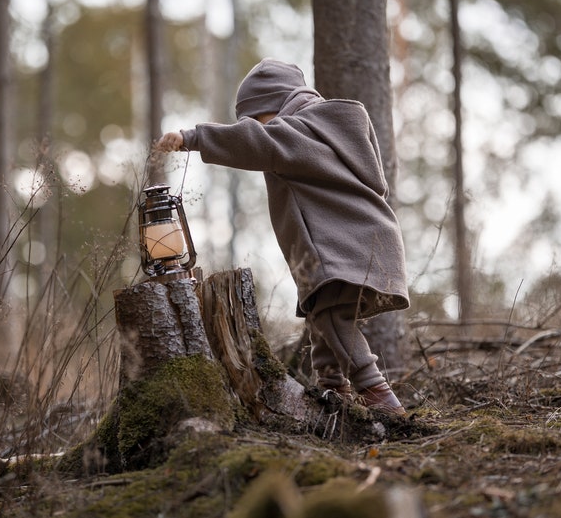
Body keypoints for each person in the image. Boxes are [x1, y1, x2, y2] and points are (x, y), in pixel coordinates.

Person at [156, 58, 410, 415]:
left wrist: (192, 138)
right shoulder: (336, 127)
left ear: (273, 107)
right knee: (323, 314)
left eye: (257, 120)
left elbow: (256, 142)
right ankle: (333, 389)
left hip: (340, 245)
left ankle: (379, 394)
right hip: (368, 239)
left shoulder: (296, 132)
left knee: (331, 317)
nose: (258, 128)